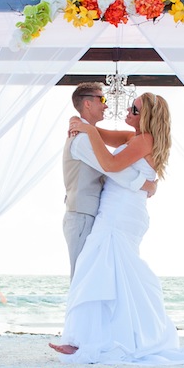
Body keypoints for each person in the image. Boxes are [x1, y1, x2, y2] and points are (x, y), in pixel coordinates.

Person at [50, 93, 184, 366]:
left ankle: (90, 340)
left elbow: (110, 164)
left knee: (100, 265)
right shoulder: (132, 137)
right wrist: (77, 121)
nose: (127, 110)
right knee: (106, 270)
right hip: (118, 206)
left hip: (121, 210)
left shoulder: (144, 140)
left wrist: (86, 129)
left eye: (133, 109)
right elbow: (104, 135)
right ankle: (89, 338)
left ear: (145, 115)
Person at [62, 83, 152, 277]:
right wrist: (146, 185)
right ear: (87, 103)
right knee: (81, 278)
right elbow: (112, 168)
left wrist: (79, 122)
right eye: (102, 100)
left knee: (92, 276)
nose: (107, 105)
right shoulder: (82, 139)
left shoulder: (88, 134)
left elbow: (113, 161)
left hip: (95, 213)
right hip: (82, 214)